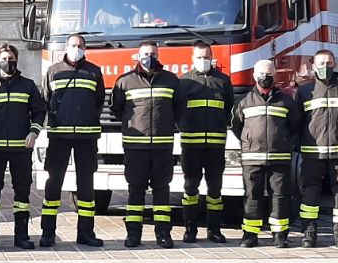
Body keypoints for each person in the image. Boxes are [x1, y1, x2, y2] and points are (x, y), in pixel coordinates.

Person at [108, 41, 181, 248]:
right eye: (146, 53)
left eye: (153, 53)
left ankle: (164, 235)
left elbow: (179, 108)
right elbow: (116, 109)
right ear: (137, 56)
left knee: (162, 192)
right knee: (135, 191)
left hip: (162, 146)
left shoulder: (171, 80)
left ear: (159, 55)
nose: (150, 56)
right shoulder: (125, 81)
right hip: (135, 148)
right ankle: (133, 235)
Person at [0, 43, 46, 251]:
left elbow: (39, 112)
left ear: (17, 59)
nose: (8, 62)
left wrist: (34, 132)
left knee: (22, 192)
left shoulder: (28, 85)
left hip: (20, 148)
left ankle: (21, 236)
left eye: (11, 58)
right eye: (4, 59)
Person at [42, 34, 106, 247]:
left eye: (79, 45)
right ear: (66, 47)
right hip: (59, 136)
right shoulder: (53, 71)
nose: (76, 48)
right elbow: (45, 100)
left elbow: (99, 102)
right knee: (53, 183)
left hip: (86, 137)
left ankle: (86, 233)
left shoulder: (94, 71)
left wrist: (87, 119)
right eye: (72, 45)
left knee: (86, 186)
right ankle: (48, 232)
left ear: (85, 48)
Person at [295, 49, 338, 248]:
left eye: (329, 62)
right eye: (321, 63)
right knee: (310, 194)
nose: (325, 66)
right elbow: (298, 121)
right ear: (314, 66)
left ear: (334, 65)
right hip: (312, 152)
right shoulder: (304, 92)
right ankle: (309, 234)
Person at [232, 59, 300, 248]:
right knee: (252, 196)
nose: (265, 78)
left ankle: (279, 235)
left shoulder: (286, 101)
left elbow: (296, 126)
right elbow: (236, 126)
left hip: (279, 158)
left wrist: (286, 143)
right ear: (254, 76)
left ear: (275, 76)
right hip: (252, 157)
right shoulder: (244, 101)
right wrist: (249, 140)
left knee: (279, 197)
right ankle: (250, 235)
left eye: (269, 75)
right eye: (261, 74)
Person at [177, 41, 233, 244]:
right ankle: (190, 230)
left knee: (215, 190)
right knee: (190, 189)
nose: (203, 61)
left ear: (212, 57)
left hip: (216, 145)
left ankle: (214, 230)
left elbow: (229, 110)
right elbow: (178, 111)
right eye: (199, 57)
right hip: (191, 146)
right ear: (192, 59)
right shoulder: (184, 82)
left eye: (206, 57)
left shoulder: (224, 81)